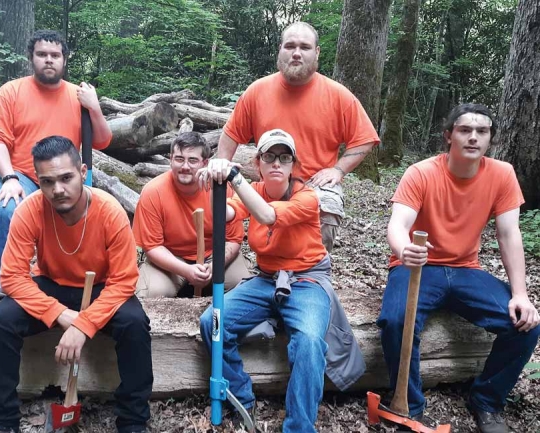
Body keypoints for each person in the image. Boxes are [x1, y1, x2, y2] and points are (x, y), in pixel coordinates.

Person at [377, 104, 540, 433]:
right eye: (465, 130)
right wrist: (403, 248)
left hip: (466, 269)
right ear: (449, 135)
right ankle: (409, 405)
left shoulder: (501, 174)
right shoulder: (422, 172)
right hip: (418, 266)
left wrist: (520, 294)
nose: (473, 137)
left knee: (526, 324)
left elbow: (509, 234)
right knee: (394, 321)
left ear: (490, 140)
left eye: (482, 131)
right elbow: (398, 224)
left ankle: (487, 400)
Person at [0, 136, 152, 433]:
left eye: (66, 178)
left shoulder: (109, 211)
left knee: (135, 323)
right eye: (47, 181)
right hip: (51, 284)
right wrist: (62, 315)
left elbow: (124, 280)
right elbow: (11, 276)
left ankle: (134, 421)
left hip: (101, 287)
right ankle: (1, 422)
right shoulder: (30, 210)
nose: (58, 190)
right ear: (38, 179)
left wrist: (84, 325)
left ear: (83, 171)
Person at [198, 129, 365, 433]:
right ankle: (240, 396)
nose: (277, 163)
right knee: (213, 321)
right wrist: (216, 184)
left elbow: (267, 216)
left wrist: (234, 176)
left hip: (306, 281)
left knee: (310, 342)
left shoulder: (307, 197)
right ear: (258, 163)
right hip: (265, 280)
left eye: (284, 157)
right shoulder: (256, 190)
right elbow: (226, 213)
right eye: (270, 156)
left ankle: (299, 426)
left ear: (292, 165)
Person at [208, 22, 380, 252]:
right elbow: (231, 133)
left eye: (305, 47)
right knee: (235, 212)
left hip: (314, 183)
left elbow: (365, 138)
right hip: (271, 179)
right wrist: (223, 169)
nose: (296, 53)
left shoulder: (338, 96)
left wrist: (338, 170)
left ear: (316, 52)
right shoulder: (257, 91)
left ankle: (313, 275)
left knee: (327, 207)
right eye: (290, 46)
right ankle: (272, 271)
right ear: (280, 49)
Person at [0, 29, 112, 300]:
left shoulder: (78, 96)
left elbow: (102, 141)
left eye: (55, 55)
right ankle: (3, 284)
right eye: (42, 54)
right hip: (23, 175)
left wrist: (94, 107)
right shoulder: (11, 92)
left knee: (93, 217)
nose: (49, 60)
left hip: (67, 178)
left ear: (64, 60)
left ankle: (83, 280)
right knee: (8, 208)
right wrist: (9, 178)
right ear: (31, 57)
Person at [132, 132, 249, 298]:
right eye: (179, 159)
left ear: (205, 163)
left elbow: (233, 239)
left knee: (245, 287)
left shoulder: (221, 189)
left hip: (214, 256)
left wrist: (215, 266)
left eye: (192, 160)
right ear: (170, 160)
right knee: (149, 294)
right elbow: (152, 246)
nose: (185, 166)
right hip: (171, 260)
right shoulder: (153, 192)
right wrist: (186, 270)